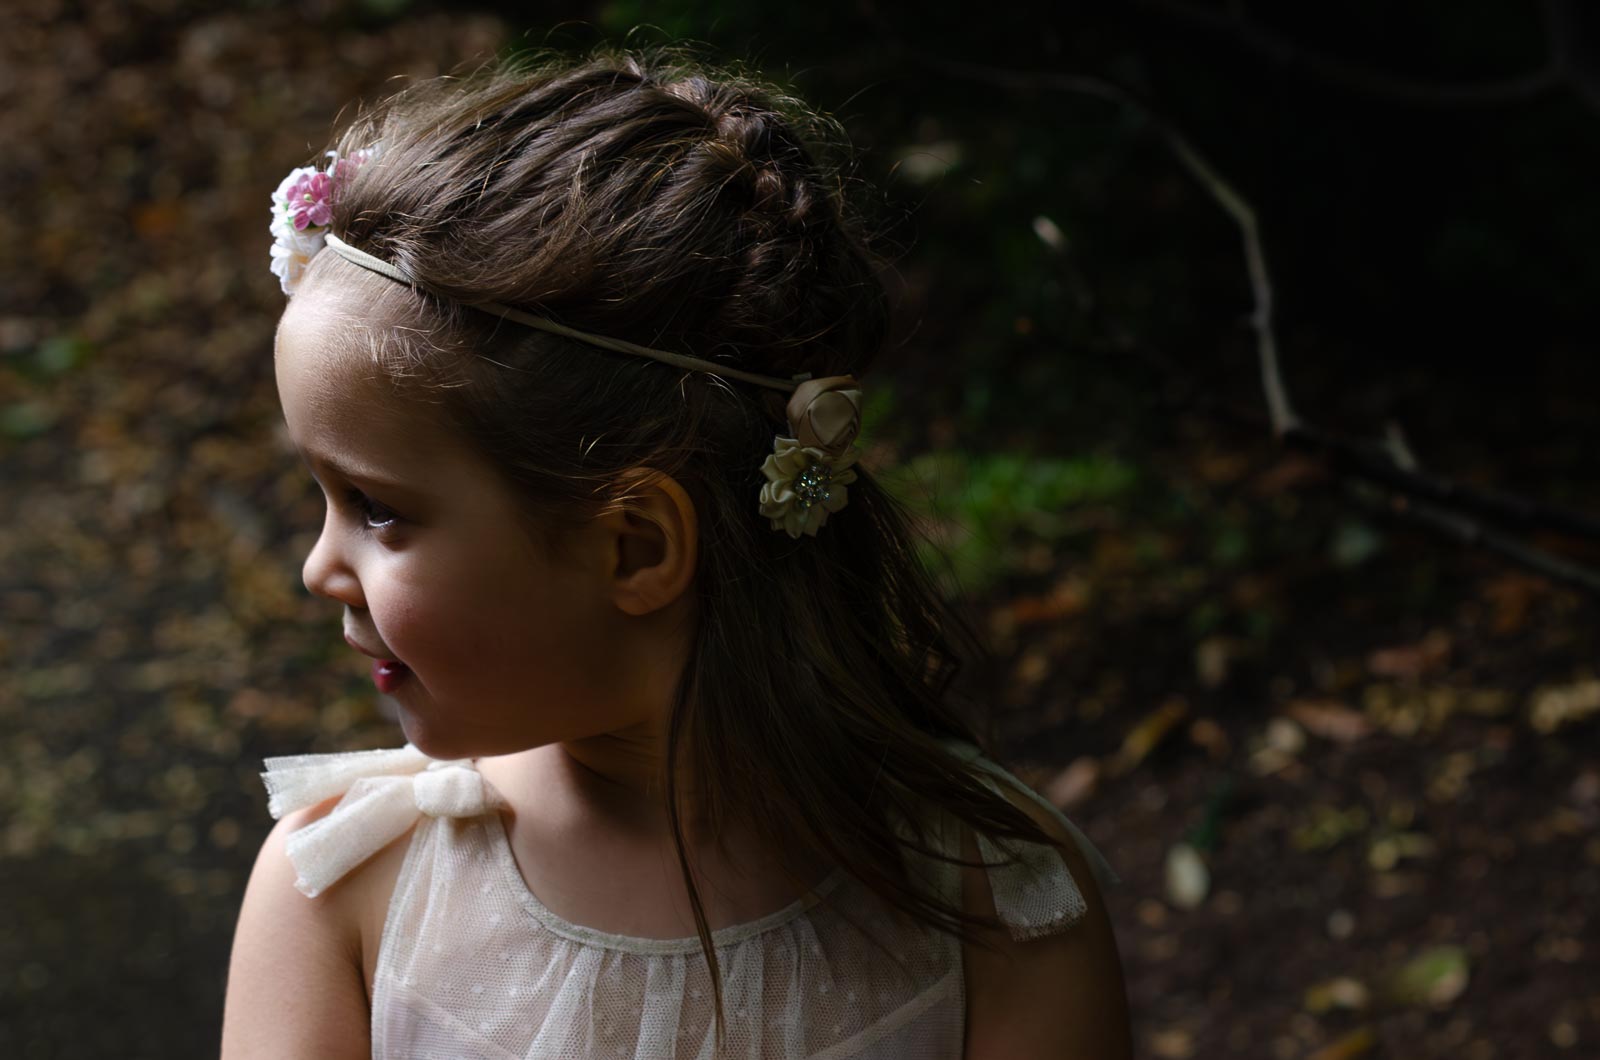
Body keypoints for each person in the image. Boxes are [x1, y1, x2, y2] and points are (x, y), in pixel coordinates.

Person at [221, 45, 1132, 1059]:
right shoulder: (348, 890)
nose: (318, 567)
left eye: (378, 509)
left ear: (636, 545)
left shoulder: (999, 907)